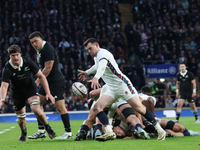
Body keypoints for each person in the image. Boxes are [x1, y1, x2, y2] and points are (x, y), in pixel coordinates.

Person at [78, 38, 166, 141]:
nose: (89, 51)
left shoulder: (102, 54)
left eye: (90, 48)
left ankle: (160, 130)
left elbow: (101, 67)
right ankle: (110, 132)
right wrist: (87, 72)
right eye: (87, 50)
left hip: (122, 85)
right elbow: (97, 66)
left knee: (139, 109)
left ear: (97, 45)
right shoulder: (97, 56)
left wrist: (96, 77)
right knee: (97, 107)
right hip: (112, 88)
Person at [0, 45, 56, 141]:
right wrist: (2, 99)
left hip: (30, 88)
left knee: (36, 109)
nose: (16, 57)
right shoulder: (7, 68)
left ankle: (48, 127)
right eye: (13, 55)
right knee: (21, 119)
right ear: (10, 56)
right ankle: (23, 132)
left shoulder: (27, 61)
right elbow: (4, 86)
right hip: (17, 93)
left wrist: (48, 92)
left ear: (20, 54)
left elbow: (41, 76)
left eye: (17, 55)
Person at [28, 31, 72, 139]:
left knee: (59, 106)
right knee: (37, 104)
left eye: (36, 41)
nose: (34, 44)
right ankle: (41, 131)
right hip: (47, 81)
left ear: (41, 39)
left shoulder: (47, 49)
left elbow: (48, 68)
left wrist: (37, 81)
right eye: (32, 42)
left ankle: (68, 133)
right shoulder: (40, 50)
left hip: (56, 81)